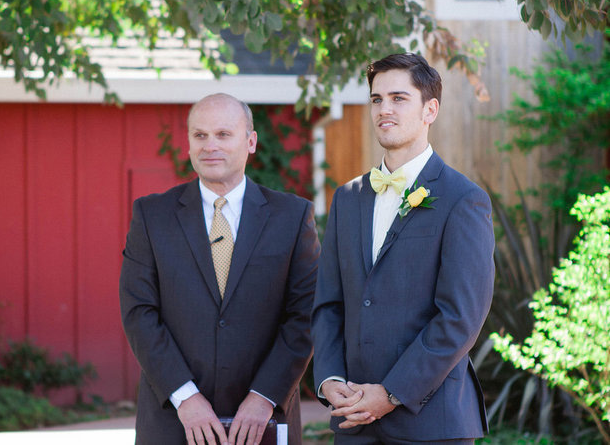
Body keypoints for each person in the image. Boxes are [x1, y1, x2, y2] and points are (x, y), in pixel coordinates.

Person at [311, 53, 495, 444]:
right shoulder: (347, 199)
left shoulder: (463, 200)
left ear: (430, 110)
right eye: (377, 99)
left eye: (398, 98)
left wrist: (391, 392)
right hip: (353, 420)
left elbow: (460, 318)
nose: (384, 109)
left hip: (430, 423)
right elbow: (329, 304)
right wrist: (329, 380)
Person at [120, 93, 320, 445]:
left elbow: (305, 315)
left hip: (263, 421)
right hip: (174, 419)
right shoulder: (152, 216)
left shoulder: (292, 217)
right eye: (200, 135)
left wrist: (264, 397)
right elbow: (139, 313)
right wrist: (186, 397)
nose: (210, 145)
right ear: (189, 144)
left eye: (223, 134)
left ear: (251, 141)